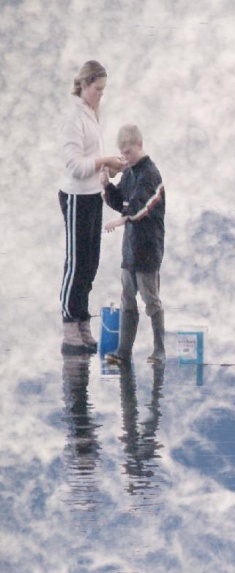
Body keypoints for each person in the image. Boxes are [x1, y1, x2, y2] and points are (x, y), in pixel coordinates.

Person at [58, 60, 126, 354]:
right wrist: (104, 161)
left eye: (104, 90)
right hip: (75, 196)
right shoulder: (73, 117)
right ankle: (69, 322)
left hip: (92, 195)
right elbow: (74, 166)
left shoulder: (93, 114)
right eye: (98, 89)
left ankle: (83, 319)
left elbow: (93, 159)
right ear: (85, 85)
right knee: (75, 261)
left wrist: (109, 171)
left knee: (90, 261)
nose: (101, 95)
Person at [101, 124, 167, 366]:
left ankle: (159, 349)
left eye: (127, 152)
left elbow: (142, 205)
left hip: (148, 247)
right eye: (122, 154)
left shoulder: (151, 173)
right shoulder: (129, 173)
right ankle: (123, 352)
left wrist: (122, 219)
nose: (124, 158)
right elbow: (120, 201)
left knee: (151, 299)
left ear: (140, 145)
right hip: (130, 247)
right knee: (127, 298)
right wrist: (106, 185)